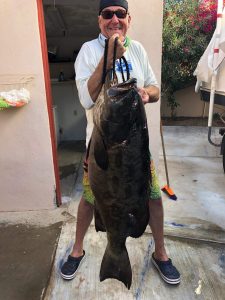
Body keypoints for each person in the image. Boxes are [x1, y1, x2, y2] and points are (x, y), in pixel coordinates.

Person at [61, 0, 181, 285]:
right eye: (107, 14)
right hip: (102, 148)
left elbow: (154, 88)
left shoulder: (137, 48)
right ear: (99, 20)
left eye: (120, 14)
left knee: (152, 196)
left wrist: (146, 94)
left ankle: (161, 253)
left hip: (137, 148)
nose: (114, 19)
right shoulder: (89, 52)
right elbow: (87, 99)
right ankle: (77, 250)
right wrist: (108, 58)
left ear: (129, 18)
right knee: (90, 200)